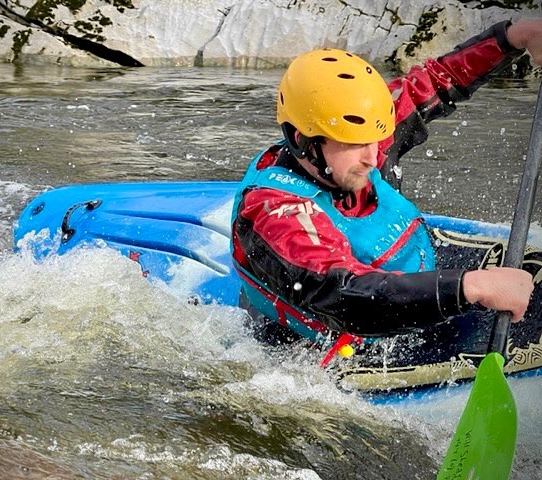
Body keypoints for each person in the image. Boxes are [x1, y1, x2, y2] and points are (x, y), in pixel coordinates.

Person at [231, 19, 541, 364]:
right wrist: (473, 287)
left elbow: (437, 81)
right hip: (334, 349)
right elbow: (346, 296)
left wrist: (517, 36)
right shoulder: (277, 213)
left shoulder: (354, 130)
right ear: (304, 141)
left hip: (406, 295)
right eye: (355, 145)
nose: (372, 156)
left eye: (376, 139)